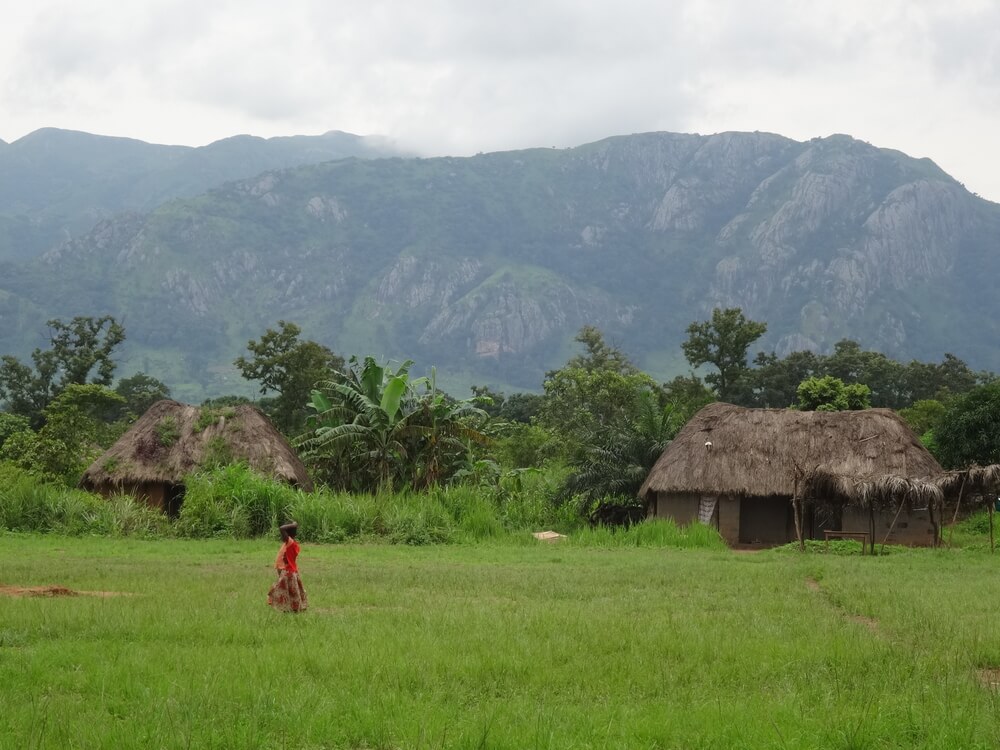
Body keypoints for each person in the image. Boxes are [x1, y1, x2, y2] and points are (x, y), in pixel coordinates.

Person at [267, 521, 308, 613]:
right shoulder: (289, 544)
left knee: (281, 591)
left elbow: (282, 528)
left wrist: (294, 525)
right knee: (290, 591)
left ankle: (292, 609)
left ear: (288, 534)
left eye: (283, 534)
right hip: (288, 572)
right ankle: (290, 608)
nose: (281, 536)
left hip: (288, 572)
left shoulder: (290, 543)